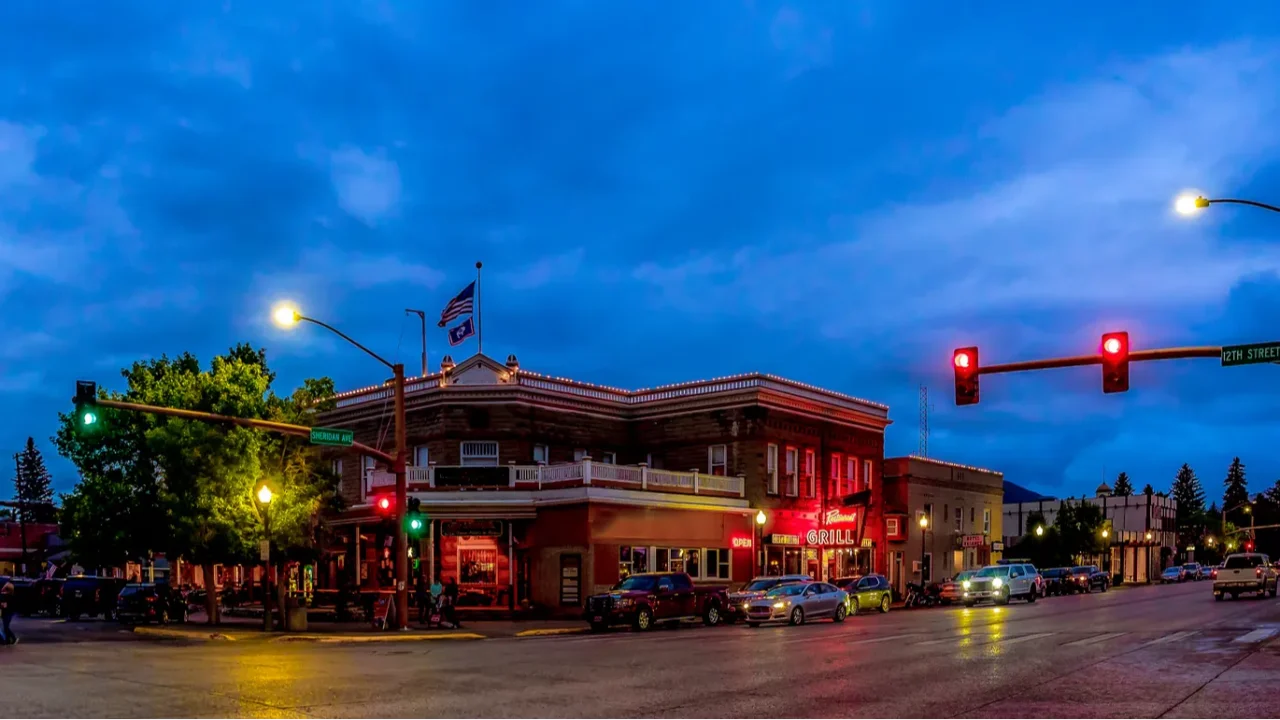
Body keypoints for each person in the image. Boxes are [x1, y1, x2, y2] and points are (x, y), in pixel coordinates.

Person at [1, 576, 16, 646]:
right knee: (5, 626)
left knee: (6, 627)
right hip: (9, 613)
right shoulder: (11, 596)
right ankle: (7, 640)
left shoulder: (5, 597)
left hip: (6, 613)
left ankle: (13, 638)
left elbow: (4, 605)